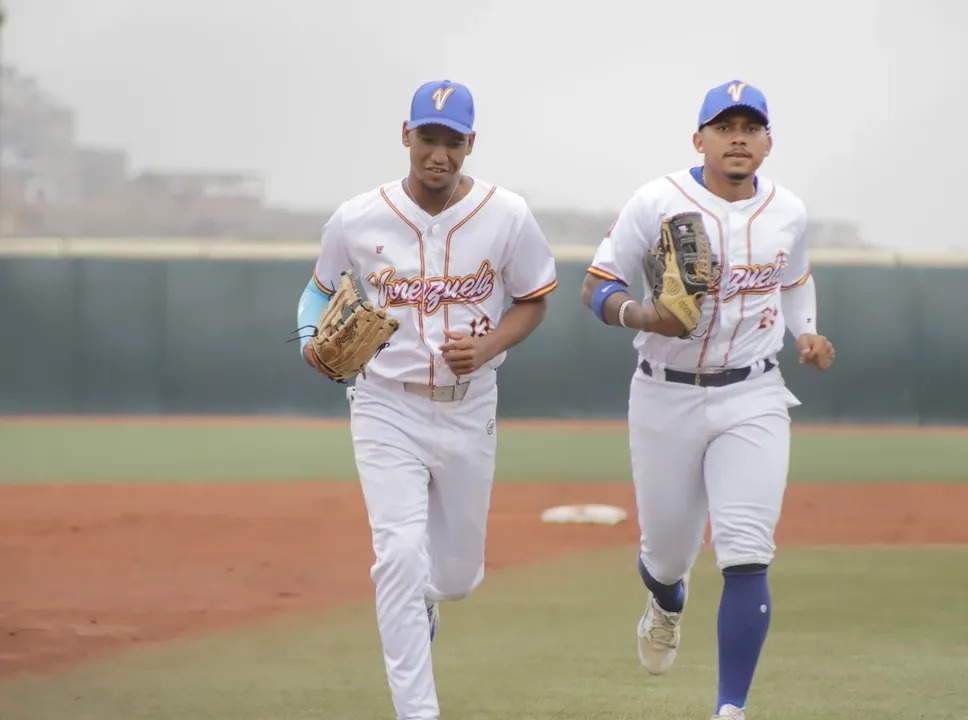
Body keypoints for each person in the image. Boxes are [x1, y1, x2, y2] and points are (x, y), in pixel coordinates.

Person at [296, 78, 558, 720]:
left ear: (470, 144)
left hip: (470, 405)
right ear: (406, 136)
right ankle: (417, 711)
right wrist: (308, 340)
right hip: (385, 402)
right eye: (427, 138)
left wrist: (491, 344)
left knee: (456, 577)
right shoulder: (357, 217)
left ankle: (428, 600)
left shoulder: (507, 215)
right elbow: (319, 289)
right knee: (398, 556)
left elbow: (534, 299)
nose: (438, 154)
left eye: (452, 141)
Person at [579, 79, 835, 720]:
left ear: (768, 142)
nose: (738, 138)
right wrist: (641, 314)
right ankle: (666, 599)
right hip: (664, 394)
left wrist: (806, 332)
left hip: (754, 392)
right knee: (667, 556)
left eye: (751, 128)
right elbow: (597, 284)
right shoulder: (656, 200)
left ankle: (730, 709)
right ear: (699, 139)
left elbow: (795, 280)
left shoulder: (788, 211)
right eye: (725, 127)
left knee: (746, 549)